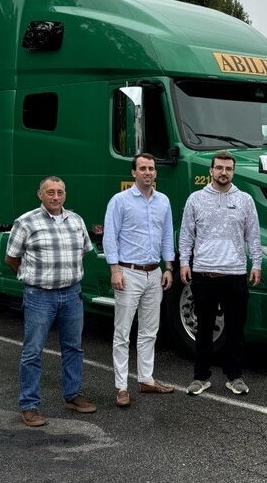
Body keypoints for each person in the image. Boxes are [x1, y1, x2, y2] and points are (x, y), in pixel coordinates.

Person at [5, 176, 96, 427]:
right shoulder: (26, 222)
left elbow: (84, 251)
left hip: (71, 294)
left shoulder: (76, 221)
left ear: (65, 195)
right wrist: (32, 278)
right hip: (39, 296)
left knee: (73, 347)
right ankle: (29, 405)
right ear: (40, 195)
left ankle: (72, 395)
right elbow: (12, 258)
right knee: (33, 351)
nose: (55, 197)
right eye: (50, 192)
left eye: (60, 192)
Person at [179, 151, 262, 396]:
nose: (223, 172)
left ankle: (235, 377)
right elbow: (186, 235)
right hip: (204, 274)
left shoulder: (245, 200)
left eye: (228, 168)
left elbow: (253, 235)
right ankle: (200, 377)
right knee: (203, 329)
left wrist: (256, 264)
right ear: (211, 171)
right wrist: (184, 263)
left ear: (233, 172)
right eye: (219, 168)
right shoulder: (195, 199)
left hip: (235, 274)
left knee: (235, 330)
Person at [103, 153, 175, 408]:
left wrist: (168, 267)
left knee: (149, 331)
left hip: (154, 273)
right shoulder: (120, 201)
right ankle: (121, 387)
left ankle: (146, 379)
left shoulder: (163, 201)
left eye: (151, 168)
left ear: (156, 173)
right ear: (133, 172)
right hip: (128, 272)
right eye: (142, 168)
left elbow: (167, 235)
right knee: (122, 332)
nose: (148, 172)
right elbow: (110, 236)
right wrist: (114, 270)